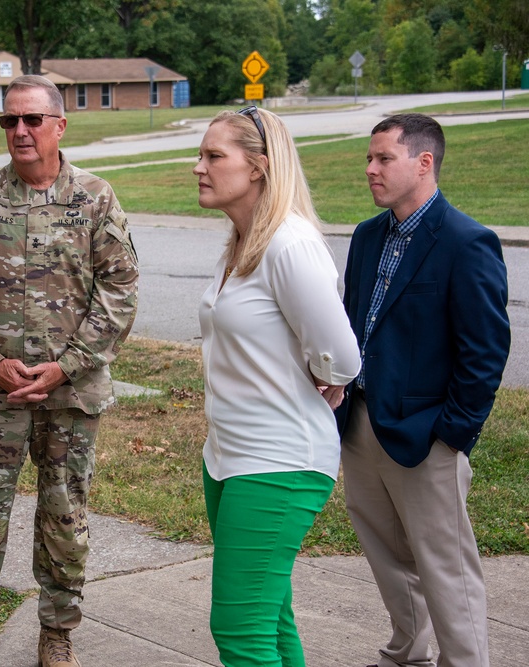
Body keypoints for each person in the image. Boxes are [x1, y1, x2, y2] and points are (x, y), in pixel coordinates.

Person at [0, 74, 139, 667]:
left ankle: (57, 633)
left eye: (31, 120)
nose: (19, 131)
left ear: (59, 126)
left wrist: (67, 366)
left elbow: (120, 292)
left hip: (70, 397)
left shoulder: (95, 198)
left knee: (65, 518)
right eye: (9, 121)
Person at [337, 113, 510, 667]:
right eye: (369, 158)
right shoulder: (367, 237)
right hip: (362, 424)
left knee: (446, 567)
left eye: (384, 158)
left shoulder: (466, 242)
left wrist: (452, 435)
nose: (371, 169)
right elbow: (351, 323)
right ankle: (407, 653)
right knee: (386, 555)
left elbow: (485, 352)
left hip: (426, 437)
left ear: (424, 162)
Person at [193, 106, 360, 666]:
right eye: (202, 154)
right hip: (228, 458)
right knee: (270, 616)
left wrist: (327, 374)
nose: (199, 167)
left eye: (214, 156)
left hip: (279, 461)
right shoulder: (242, 241)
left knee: (239, 629)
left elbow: (342, 356)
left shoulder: (290, 243)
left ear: (259, 166)